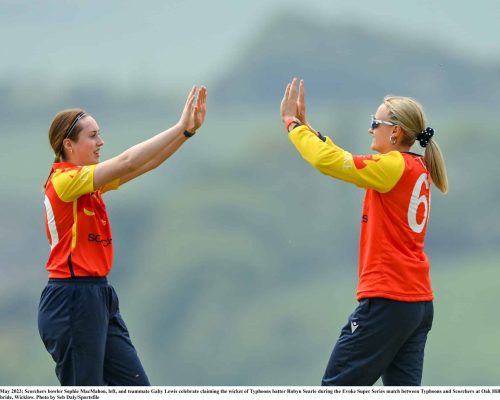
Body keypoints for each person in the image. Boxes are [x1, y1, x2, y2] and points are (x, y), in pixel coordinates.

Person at [280, 78, 448, 386]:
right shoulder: (415, 166)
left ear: (395, 132)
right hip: (417, 305)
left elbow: (329, 162)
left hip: (388, 300)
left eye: (376, 122)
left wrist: (292, 125)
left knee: (335, 388)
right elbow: (344, 158)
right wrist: (310, 131)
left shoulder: (392, 166)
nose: (370, 128)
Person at [38, 85, 207, 386]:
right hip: (72, 297)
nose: (101, 142)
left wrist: (186, 134)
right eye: (92, 136)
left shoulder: (90, 184)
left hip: (99, 295)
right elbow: (128, 160)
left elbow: (147, 163)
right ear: (68, 145)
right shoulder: (64, 181)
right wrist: (179, 125)